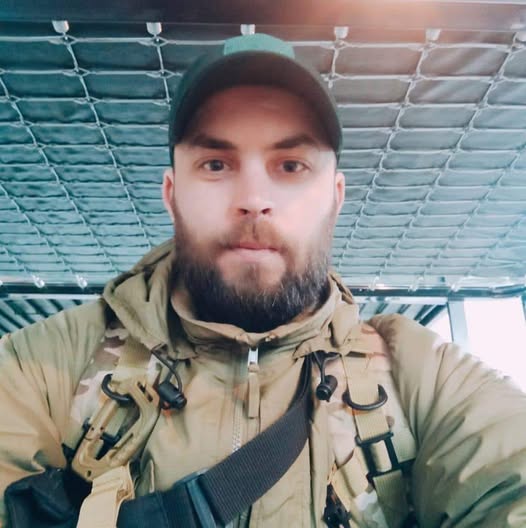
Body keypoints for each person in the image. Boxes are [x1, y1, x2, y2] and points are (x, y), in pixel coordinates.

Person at [0, 32, 525, 528]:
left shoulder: (420, 378)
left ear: (336, 197)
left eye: (291, 165)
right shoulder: (47, 367)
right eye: (215, 164)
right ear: (172, 194)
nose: (253, 198)